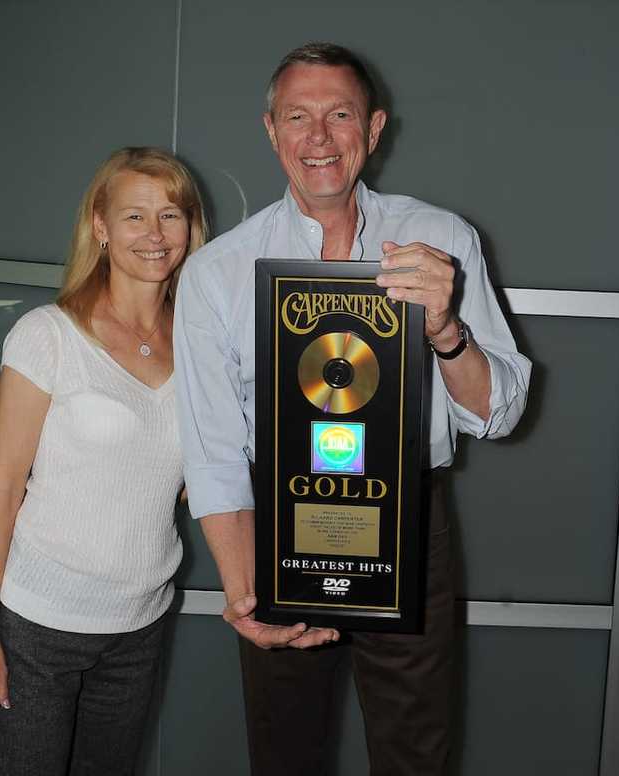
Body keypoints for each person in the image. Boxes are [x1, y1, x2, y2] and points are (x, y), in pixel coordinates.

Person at [173, 43, 532, 774]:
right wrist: (242, 587)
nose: (319, 138)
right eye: (298, 117)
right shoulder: (218, 272)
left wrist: (445, 331)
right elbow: (211, 445)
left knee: (415, 749)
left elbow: (501, 413)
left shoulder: (443, 241)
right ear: (271, 131)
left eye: (339, 115)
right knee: (284, 750)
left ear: (373, 128)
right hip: (277, 523)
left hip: (409, 522)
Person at [0, 147, 208, 775]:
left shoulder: (204, 344)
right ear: (100, 227)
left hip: (142, 622)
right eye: (134, 216)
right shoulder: (49, 334)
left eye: (171, 215)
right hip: (39, 627)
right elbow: (3, 488)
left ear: (190, 228)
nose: (154, 234)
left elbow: (183, 477)